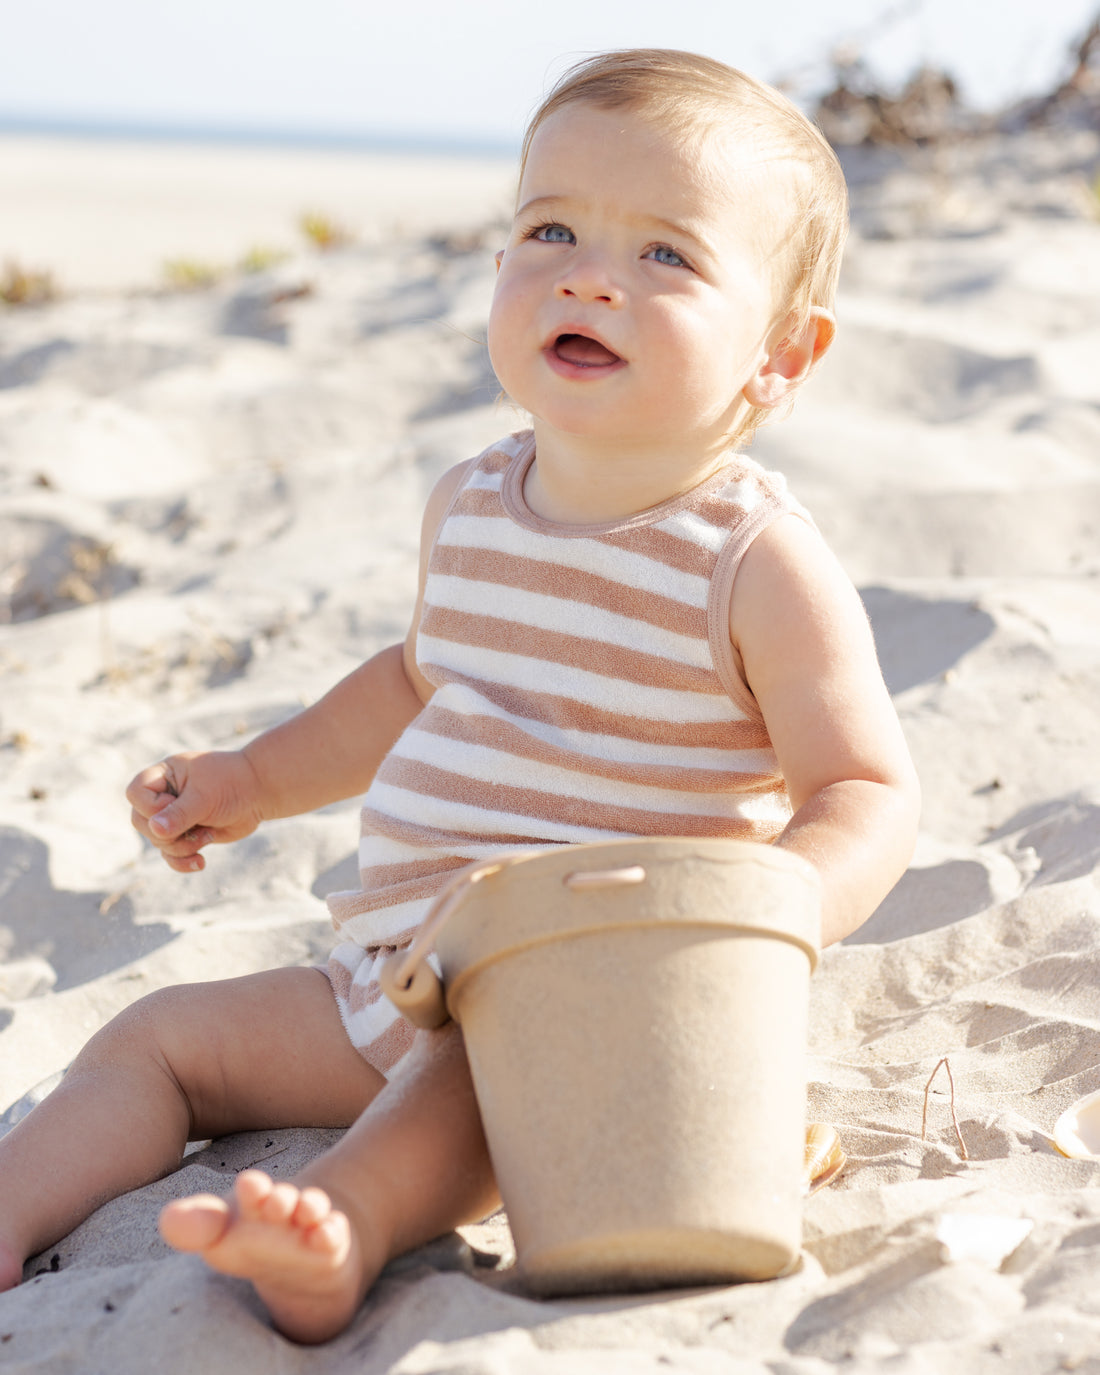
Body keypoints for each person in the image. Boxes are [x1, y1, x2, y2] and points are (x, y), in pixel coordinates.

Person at [0, 49, 919, 1343]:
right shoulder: (476, 505)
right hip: (390, 964)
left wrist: (778, 909)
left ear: (781, 355)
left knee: (462, 1079)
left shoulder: (754, 563)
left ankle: (338, 1230)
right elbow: (416, 684)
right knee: (161, 1037)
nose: (589, 273)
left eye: (668, 256)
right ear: (499, 270)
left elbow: (864, 786)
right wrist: (252, 782)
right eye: (551, 227)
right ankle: (16, 1201)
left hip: (599, 999)